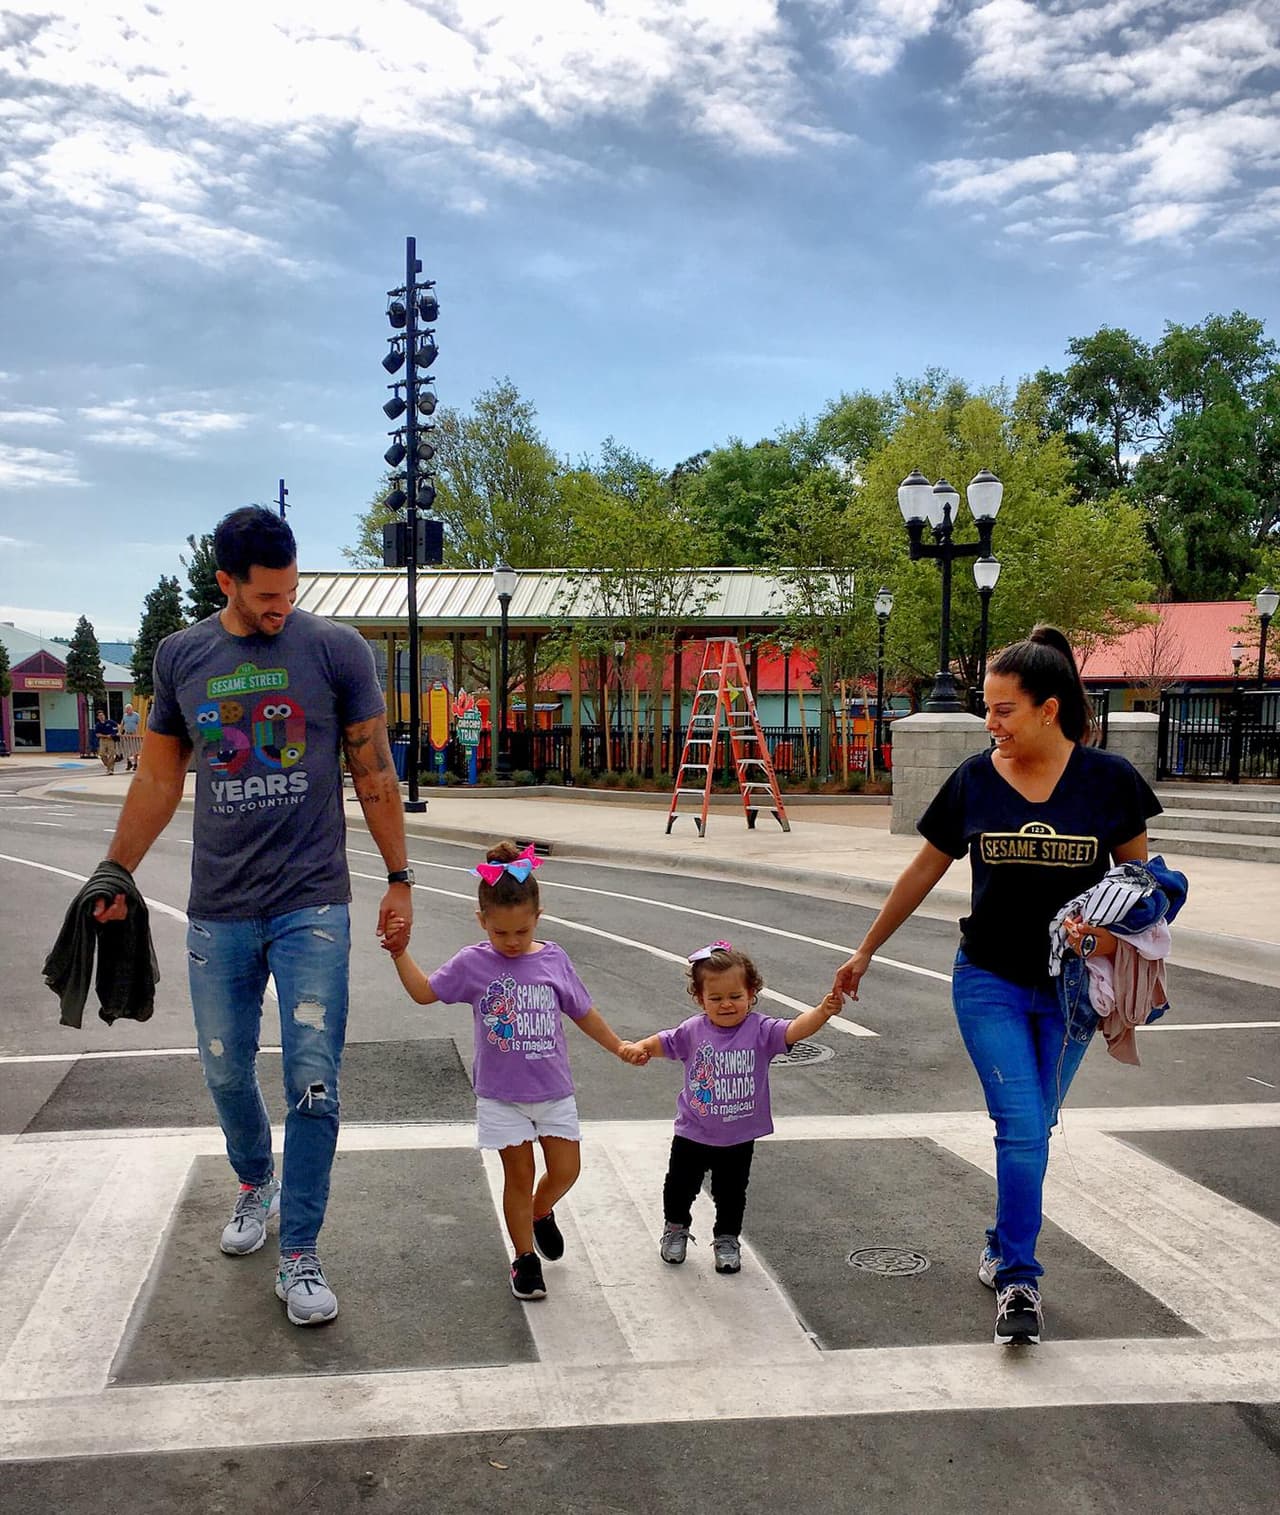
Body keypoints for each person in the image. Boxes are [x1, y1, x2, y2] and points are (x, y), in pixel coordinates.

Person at [89, 505, 413, 1327]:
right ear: (225, 581)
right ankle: (252, 1179)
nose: (281, 608)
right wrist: (115, 867)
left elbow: (374, 771)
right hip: (221, 907)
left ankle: (300, 1248)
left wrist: (401, 876)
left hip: (311, 904)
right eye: (267, 595)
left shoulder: (337, 651)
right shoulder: (183, 656)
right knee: (227, 1071)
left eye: (291, 592)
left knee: (313, 1081)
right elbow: (160, 779)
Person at [832, 625, 1162, 1347]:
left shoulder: (1110, 782)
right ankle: (1019, 1279)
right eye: (987, 708)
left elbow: (1147, 890)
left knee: (1033, 1128)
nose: (991, 723)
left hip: (1074, 992)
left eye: (1003, 709)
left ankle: (999, 1239)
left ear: (1048, 709)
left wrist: (1107, 935)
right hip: (988, 979)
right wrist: (865, 950)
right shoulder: (975, 780)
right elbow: (923, 869)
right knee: (1020, 1124)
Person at [382, 839, 631, 1302]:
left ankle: (541, 1212)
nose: (512, 942)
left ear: (538, 916)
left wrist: (618, 1045)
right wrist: (399, 952)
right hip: (501, 1096)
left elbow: (582, 1011)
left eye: (521, 931)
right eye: (501, 934)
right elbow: (424, 993)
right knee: (517, 1175)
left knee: (566, 1171)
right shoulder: (473, 963)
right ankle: (524, 1260)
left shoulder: (553, 958)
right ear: (482, 922)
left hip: (554, 1092)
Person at [618, 941, 844, 1275]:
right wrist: (641, 1048)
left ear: (751, 993)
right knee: (679, 1186)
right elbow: (664, 1042)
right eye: (716, 998)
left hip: (738, 1136)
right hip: (693, 1131)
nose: (726, 1005)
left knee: (732, 1193)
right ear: (700, 999)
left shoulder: (761, 1031)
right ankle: (675, 1229)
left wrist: (823, 1011)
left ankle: (727, 1238)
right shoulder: (693, 1030)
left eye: (735, 997)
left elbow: (796, 1028)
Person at [93, 708, 120, 775]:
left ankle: (110, 769)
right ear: (98, 717)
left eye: (102, 715)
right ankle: (109, 766)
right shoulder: (98, 725)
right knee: (102, 754)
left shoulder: (109, 722)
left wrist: (118, 732)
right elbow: (97, 734)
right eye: (100, 716)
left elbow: (118, 725)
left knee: (111, 754)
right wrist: (105, 736)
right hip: (103, 740)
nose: (102, 717)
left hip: (111, 740)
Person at [120, 702, 142, 770]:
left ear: (131, 709)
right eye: (126, 709)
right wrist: (120, 733)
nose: (128, 711)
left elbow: (139, 725)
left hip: (134, 734)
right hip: (127, 734)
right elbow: (122, 724)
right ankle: (128, 762)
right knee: (126, 749)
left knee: (135, 749)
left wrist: (137, 734)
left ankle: (135, 763)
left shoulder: (136, 715)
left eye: (129, 709)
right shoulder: (125, 715)